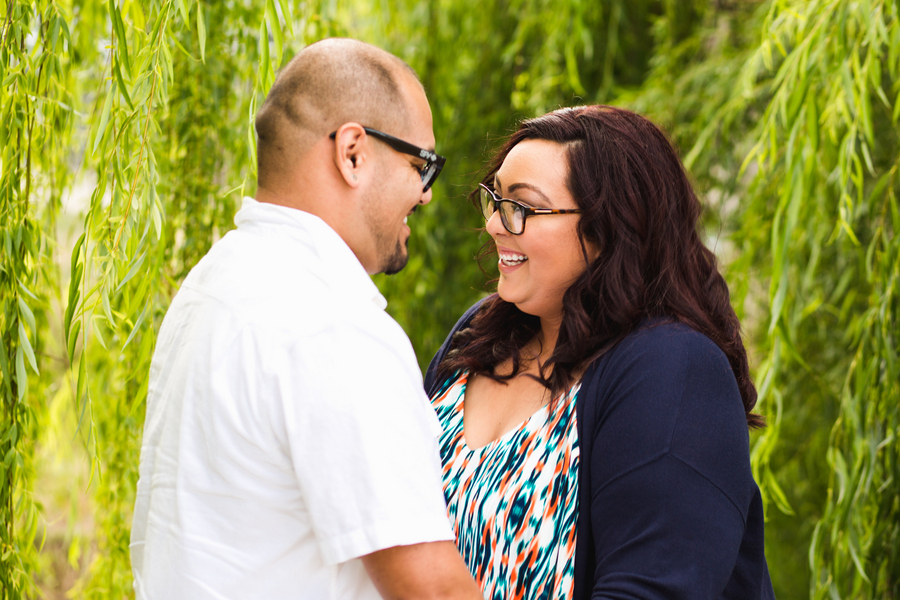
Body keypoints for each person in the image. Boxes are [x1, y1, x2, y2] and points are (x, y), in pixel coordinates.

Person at [130, 38, 483, 600]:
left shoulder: (211, 286)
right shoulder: (332, 322)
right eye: (422, 165)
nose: (424, 196)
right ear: (353, 153)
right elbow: (431, 590)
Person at [424, 105, 776, 599]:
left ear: (611, 227)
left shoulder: (673, 372)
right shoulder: (475, 339)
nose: (496, 226)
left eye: (523, 206)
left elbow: (656, 587)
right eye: (495, 199)